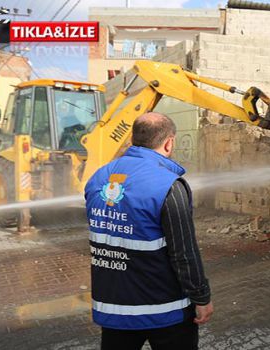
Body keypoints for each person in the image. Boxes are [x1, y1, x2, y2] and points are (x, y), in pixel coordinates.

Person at [85, 112, 213, 350]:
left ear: (134, 138)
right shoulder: (168, 185)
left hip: (113, 309)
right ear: (169, 142)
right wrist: (201, 297)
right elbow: (184, 252)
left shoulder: (97, 178)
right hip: (165, 310)